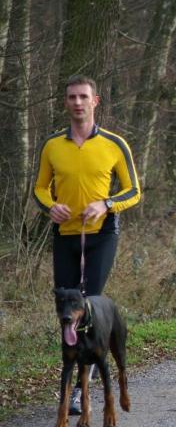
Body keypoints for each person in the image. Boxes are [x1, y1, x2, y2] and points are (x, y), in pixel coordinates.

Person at [33, 74, 141, 415]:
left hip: (102, 233)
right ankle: (71, 373)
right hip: (65, 235)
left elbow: (134, 190)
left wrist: (106, 204)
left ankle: (83, 387)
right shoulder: (52, 145)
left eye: (83, 97)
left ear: (95, 101)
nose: (77, 103)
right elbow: (39, 189)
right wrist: (51, 206)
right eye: (71, 97)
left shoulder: (114, 143)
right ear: (65, 103)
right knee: (66, 306)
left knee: (90, 301)